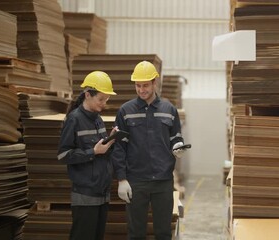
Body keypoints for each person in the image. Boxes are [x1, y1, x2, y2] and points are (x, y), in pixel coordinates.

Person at [111, 61, 186, 240]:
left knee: (163, 233)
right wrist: (121, 179)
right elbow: (119, 147)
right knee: (136, 233)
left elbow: (176, 136)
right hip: (136, 181)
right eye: (138, 85)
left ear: (155, 83)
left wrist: (178, 146)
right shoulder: (125, 111)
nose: (141, 90)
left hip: (163, 181)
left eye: (145, 85)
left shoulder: (169, 110)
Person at [57, 71, 117, 240]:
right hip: (85, 195)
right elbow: (63, 155)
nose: (104, 104)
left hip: (102, 193)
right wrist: (93, 152)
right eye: (101, 99)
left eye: (106, 100)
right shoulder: (74, 120)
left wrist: (111, 141)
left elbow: (100, 150)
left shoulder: (97, 119)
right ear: (88, 95)